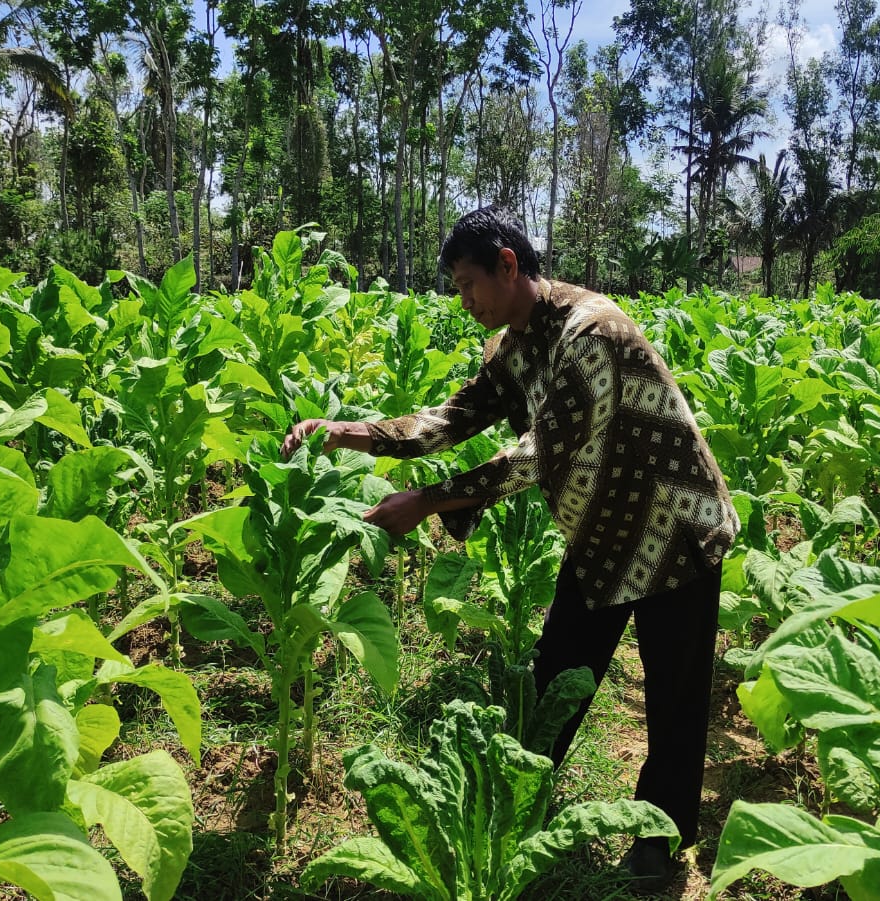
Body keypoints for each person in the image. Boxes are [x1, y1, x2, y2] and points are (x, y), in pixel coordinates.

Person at [281, 206, 737, 889]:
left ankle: (659, 839)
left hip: (674, 527)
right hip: (605, 534)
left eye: (468, 284)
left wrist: (426, 501)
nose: (463, 300)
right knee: (554, 677)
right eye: (456, 289)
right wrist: (348, 432)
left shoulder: (593, 332)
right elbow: (450, 419)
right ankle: (516, 810)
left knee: (674, 693)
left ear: (508, 264)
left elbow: (535, 456)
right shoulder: (511, 348)